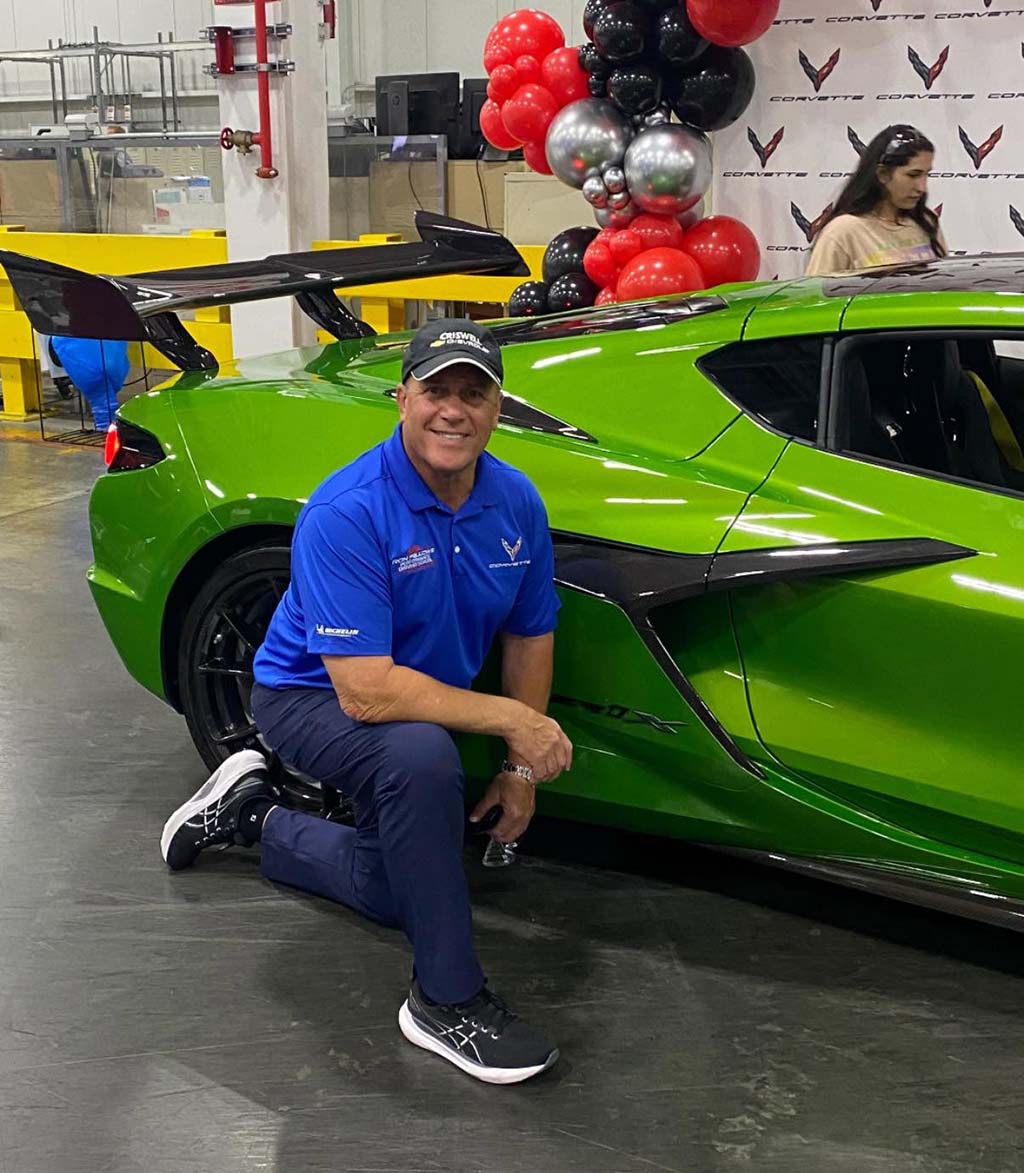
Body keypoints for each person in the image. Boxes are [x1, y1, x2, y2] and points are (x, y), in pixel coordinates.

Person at [159, 318, 573, 1085]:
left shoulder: (515, 501)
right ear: (402, 399)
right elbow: (367, 691)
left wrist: (520, 769)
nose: (454, 410)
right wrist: (518, 721)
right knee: (420, 755)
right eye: (437, 390)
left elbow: (530, 633)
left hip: (414, 702)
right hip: (308, 695)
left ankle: (253, 815)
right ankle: (445, 1000)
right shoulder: (347, 510)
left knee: (398, 889)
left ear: (497, 408)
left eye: (474, 393)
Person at [806, 125, 947, 277]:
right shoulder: (842, 232)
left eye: (926, 175)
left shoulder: (926, 221)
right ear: (882, 174)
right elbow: (815, 289)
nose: (922, 188)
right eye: (913, 175)